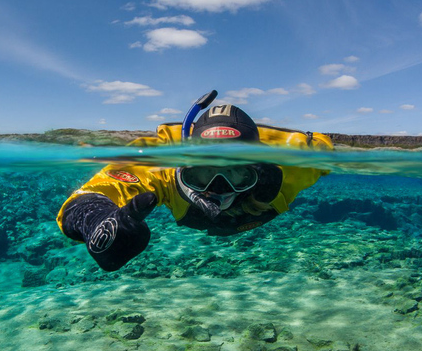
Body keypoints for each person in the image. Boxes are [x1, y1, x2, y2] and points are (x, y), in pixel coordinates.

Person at [57, 90, 334, 272]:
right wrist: (95, 220)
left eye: (238, 174)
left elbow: (325, 150)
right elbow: (95, 191)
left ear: (260, 173)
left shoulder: (294, 165)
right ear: (183, 168)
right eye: (201, 174)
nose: (218, 188)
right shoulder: (163, 163)